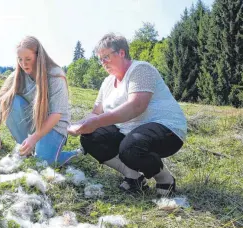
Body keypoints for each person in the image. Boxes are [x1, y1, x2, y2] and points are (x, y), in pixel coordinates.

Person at [68, 33, 187, 196]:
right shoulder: (107, 82)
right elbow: (96, 112)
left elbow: (136, 106)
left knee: (130, 148)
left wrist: (95, 122)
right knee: (91, 137)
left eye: (106, 57)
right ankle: (134, 177)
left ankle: (165, 179)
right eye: (100, 59)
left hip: (167, 129)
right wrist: (75, 125)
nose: (103, 63)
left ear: (121, 52)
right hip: (129, 132)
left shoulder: (140, 69)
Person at [0, 36, 79, 166]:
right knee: (10, 100)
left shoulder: (55, 75)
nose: (23, 64)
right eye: (20, 59)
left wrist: (34, 137)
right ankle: (28, 147)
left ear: (38, 57)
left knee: (43, 162)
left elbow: (56, 115)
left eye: (28, 59)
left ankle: (74, 154)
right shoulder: (17, 76)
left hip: (54, 126)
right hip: (33, 122)